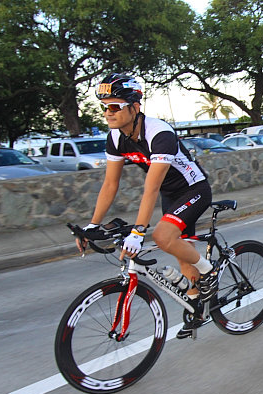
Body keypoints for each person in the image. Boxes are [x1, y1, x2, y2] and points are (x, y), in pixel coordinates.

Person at [76, 73, 216, 339]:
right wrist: (92, 225)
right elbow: (110, 185)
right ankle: (198, 305)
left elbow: (150, 187)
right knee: (182, 253)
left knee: (162, 236)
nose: (108, 113)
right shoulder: (116, 137)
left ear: (135, 107)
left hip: (194, 190)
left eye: (115, 106)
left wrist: (139, 231)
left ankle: (210, 272)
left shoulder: (159, 133)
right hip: (170, 194)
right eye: (104, 107)